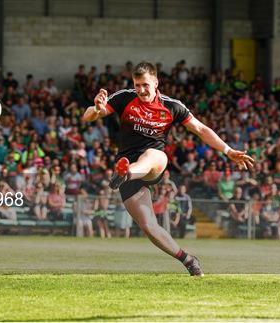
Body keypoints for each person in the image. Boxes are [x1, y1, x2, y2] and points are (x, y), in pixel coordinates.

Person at [83, 61, 254, 276]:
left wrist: (228, 151)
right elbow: (87, 116)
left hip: (154, 162)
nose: (141, 90)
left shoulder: (172, 106)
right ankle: (188, 260)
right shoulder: (125, 97)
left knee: (150, 155)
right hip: (127, 166)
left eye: (145, 85)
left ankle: (126, 172)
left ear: (156, 82)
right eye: (137, 85)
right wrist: (97, 110)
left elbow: (200, 129)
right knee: (149, 227)